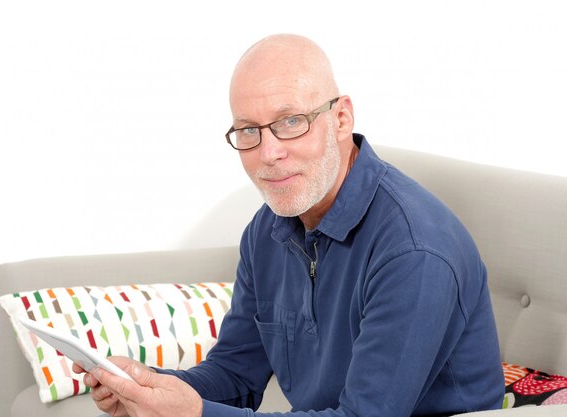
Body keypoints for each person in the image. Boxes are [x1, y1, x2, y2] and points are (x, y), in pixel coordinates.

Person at [74, 34, 505, 417]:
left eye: (291, 122)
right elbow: (235, 375)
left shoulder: (413, 250)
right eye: (248, 131)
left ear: (341, 119)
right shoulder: (266, 232)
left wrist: (196, 415)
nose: (269, 153)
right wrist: (145, 387)